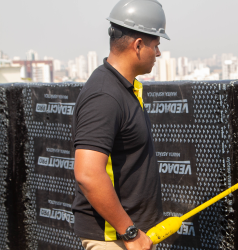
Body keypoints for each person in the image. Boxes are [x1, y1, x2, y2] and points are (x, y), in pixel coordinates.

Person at [72, 0, 170, 249]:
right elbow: (88, 173)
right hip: (114, 238)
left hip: (130, 234)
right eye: (156, 45)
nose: (158, 53)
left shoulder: (124, 88)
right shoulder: (105, 95)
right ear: (138, 45)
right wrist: (130, 233)